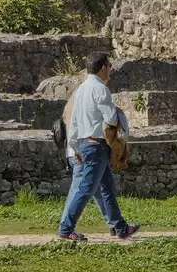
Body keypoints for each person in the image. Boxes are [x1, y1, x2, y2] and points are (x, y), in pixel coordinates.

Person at [58, 53, 141, 243]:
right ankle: (66, 228)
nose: (110, 69)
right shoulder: (100, 89)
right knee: (86, 188)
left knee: (107, 188)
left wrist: (75, 146)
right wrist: (118, 115)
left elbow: (75, 121)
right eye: (109, 66)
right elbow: (110, 118)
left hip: (85, 143)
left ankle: (120, 227)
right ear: (103, 67)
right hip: (97, 146)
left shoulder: (81, 90)